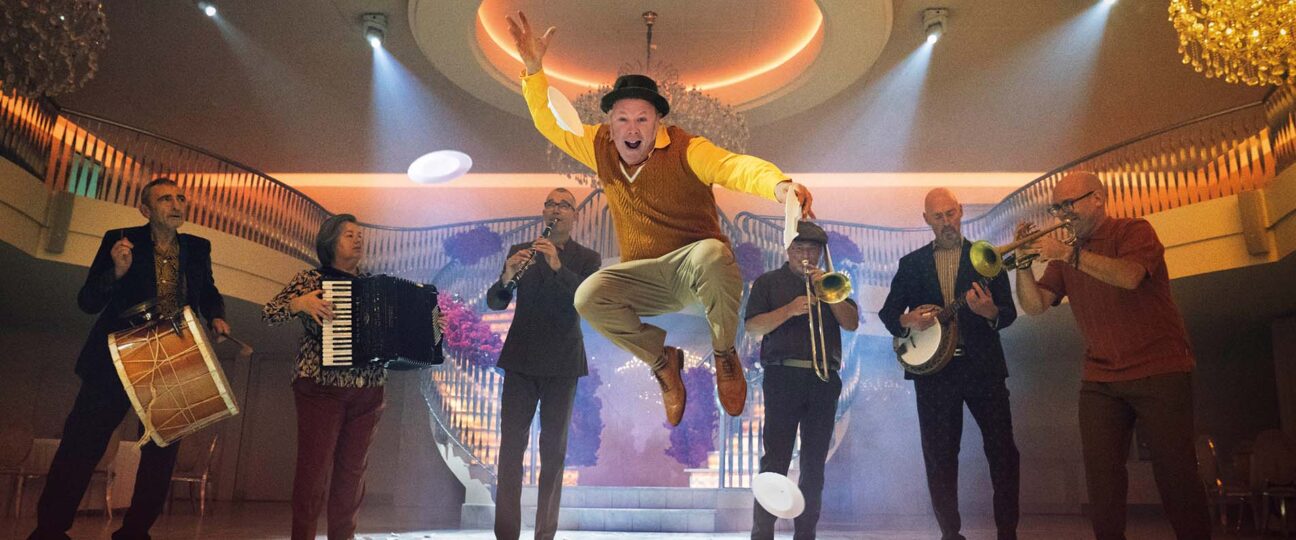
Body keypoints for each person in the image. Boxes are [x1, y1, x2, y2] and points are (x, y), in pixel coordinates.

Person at [505, 11, 815, 426]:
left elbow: (735, 167)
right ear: (610, 123)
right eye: (622, 119)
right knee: (587, 296)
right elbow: (550, 123)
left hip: (694, 269)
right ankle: (663, 362)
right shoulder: (598, 145)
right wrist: (533, 70)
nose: (631, 129)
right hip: (644, 277)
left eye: (642, 119)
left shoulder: (687, 148)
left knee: (710, 253)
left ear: (657, 122)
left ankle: (725, 355)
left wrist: (779, 186)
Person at [29, 177, 229, 540]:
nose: (176, 204)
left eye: (180, 198)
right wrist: (117, 271)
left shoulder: (198, 248)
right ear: (145, 209)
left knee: (161, 451)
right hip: (119, 354)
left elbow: (208, 292)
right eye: (165, 199)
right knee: (82, 443)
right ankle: (50, 530)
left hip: (173, 355)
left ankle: (135, 532)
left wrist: (216, 315)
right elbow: (88, 301)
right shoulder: (120, 240)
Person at [1014, 171, 1210, 540]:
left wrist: (1069, 254)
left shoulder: (1134, 230)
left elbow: (1129, 277)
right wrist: (1023, 267)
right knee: (1101, 479)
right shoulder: (1067, 256)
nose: (1061, 214)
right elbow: (1035, 305)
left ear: (1098, 199)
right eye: (1056, 207)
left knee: (1176, 475)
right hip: (1101, 377)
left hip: (1160, 368)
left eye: (1067, 204)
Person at [263, 214, 444, 540]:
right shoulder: (311, 279)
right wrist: (299, 303)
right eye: (349, 234)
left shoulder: (376, 286)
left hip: (368, 390)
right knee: (313, 471)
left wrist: (431, 327)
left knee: (352, 474)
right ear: (330, 241)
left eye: (360, 235)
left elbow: (404, 332)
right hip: (321, 387)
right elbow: (269, 314)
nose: (358, 239)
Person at [878, 188, 1020, 540]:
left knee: (1003, 452)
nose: (946, 222)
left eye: (950, 214)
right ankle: (949, 534)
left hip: (983, 369)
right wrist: (908, 320)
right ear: (926, 220)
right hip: (934, 376)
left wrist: (989, 312)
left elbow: (1008, 313)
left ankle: (1007, 532)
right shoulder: (911, 264)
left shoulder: (986, 258)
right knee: (939, 457)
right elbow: (888, 313)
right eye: (938, 216)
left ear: (961, 211)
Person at [486, 188, 601, 540]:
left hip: (563, 364)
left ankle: (544, 534)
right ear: (544, 212)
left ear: (575, 215)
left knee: (553, 453)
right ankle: (506, 533)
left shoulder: (588, 258)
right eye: (550, 204)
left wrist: (556, 266)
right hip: (521, 360)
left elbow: (587, 300)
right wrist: (507, 276)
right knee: (510, 449)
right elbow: (496, 302)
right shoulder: (522, 250)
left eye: (564, 205)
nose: (556, 209)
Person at [743, 222, 859, 540]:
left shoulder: (834, 282)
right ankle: (762, 533)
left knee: (814, 463)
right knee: (775, 459)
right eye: (799, 249)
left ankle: (806, 534)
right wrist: (790, 310)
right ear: (788, 250)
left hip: (823, 378)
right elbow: (752, 327)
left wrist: (830, 294)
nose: (805, 255)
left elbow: (851, 323)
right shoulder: (768, 282)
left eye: (812, 249)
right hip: (783, 377)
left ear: (820, 253)